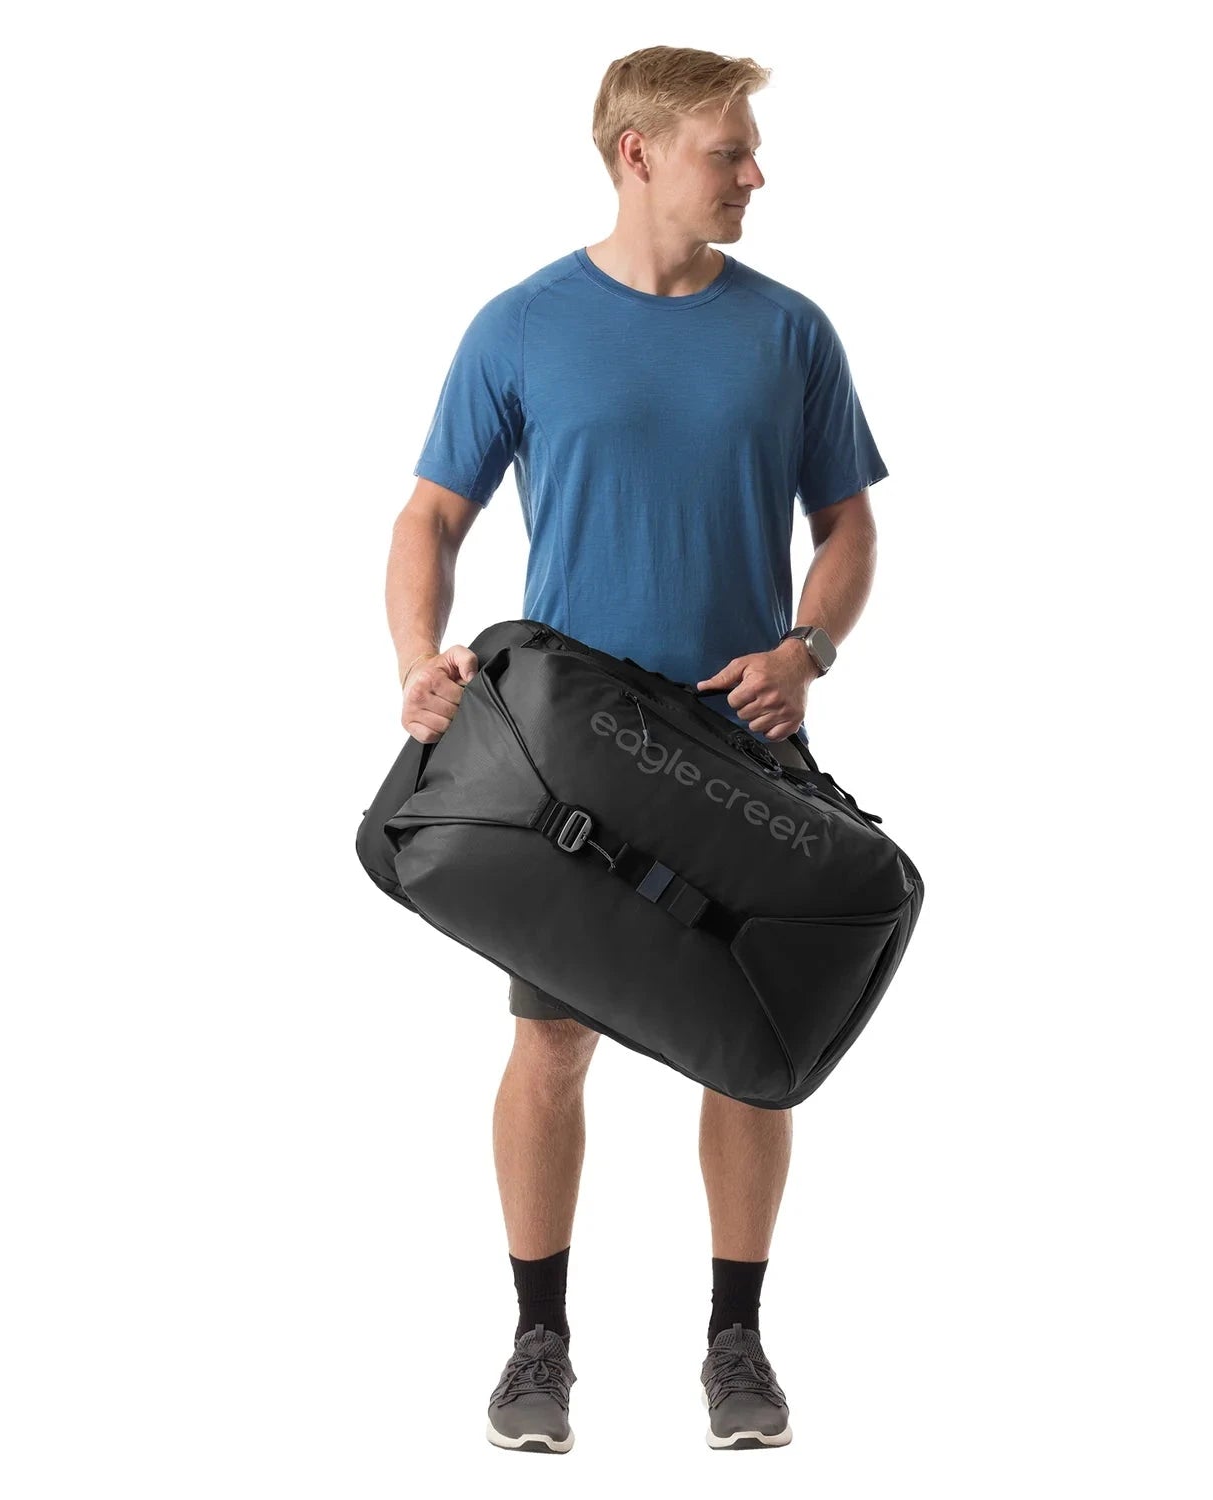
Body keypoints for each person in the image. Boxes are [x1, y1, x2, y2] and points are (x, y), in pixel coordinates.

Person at [382, 45, 886, 1452]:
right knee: (551, 1041)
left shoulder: (791, 334)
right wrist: (419, 656)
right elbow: (429, 516)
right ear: (640, 154)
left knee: (747, 1046)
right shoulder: (520, 326)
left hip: (739, 745)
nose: (755, 174)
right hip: (573, 762)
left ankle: (737, 1341)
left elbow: (849, 525)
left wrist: (808, 649)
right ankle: (537, 1343)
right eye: (731, 150)